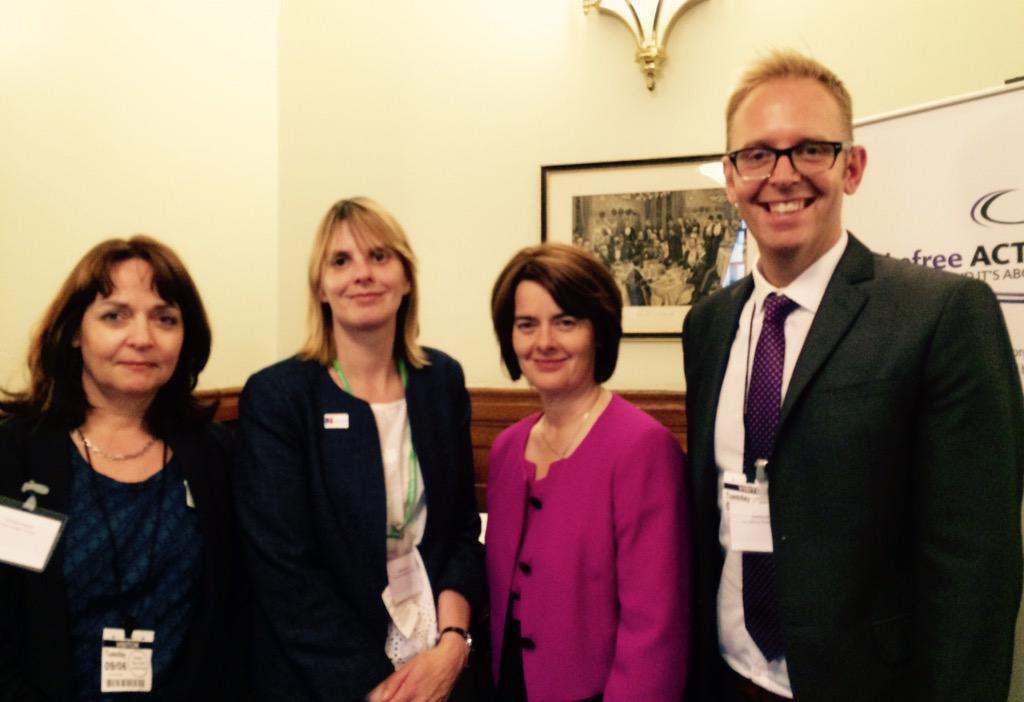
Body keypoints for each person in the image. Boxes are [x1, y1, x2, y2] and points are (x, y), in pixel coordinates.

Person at [682, 49, 1024, 702]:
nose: (782, 176)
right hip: (726, 675)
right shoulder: (708, 325)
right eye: (757, 154)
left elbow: (975, 573)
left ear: (852, 166)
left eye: (809, 149)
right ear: (730, 177)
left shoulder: (941, 313)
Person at [234, 197, 484, 701]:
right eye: (341, 261)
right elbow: (285, 571)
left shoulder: (441, 382)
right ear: (320, 288)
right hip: (322, 675)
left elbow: (459, 532)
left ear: (407, 278)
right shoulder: (279, 397)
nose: (362, 274)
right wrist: (377, 688)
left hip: (438, 653)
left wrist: (454, 645)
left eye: (380, 256)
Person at [0, 236, 244, 700]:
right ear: (75, 331)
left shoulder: (216, 454)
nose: (142, 338)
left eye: (165, 318)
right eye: (115, 315)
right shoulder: (14, 454)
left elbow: (234, 619)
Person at [487, 243, 690, 701]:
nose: (544, 343)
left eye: (566, 322)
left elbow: (656, 629)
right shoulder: (506, 449)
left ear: (598, 331)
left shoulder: (643, 448)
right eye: (526, 325)